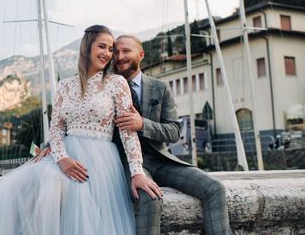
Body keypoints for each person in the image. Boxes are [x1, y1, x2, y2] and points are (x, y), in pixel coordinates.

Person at [0, 25, 161, 235]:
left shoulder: (116, 83)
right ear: (87, 47)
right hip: (66, 156)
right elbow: (57, 129)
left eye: (110, 49)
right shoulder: (64, 86)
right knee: (31, 192)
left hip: (101, 163)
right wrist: (62, 159)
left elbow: (127, 132)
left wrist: (137, 173)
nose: (107, 54)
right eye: (102, 47)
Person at [37, 34, 232, 235]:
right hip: (124, 164)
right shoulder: (104, 85)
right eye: (116, 51)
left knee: (215, 188)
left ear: (141, 54)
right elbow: (76, 118)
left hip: (162, 160)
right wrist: (51, 145)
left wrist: (143, 124)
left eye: (126, 51)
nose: (120, 56)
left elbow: (174, 131)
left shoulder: (159, 87)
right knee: (150, 199)